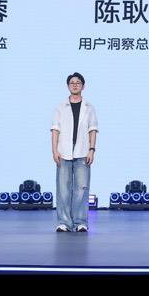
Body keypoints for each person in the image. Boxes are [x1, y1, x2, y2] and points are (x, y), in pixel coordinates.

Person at [51, 72, 99, 233]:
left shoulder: (89, 107)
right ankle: (64, 222)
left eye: (78, 82)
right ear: (68, 86)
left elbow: (93, 129)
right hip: (63, 151)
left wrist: (92, 149)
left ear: (83, 86)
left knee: (81, 189)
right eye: (72, 82)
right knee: (63, 188)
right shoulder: (60, 107)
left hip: (83, 151)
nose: (75, 85)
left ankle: (80, 222)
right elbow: (55, 130)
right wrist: (54, 150)